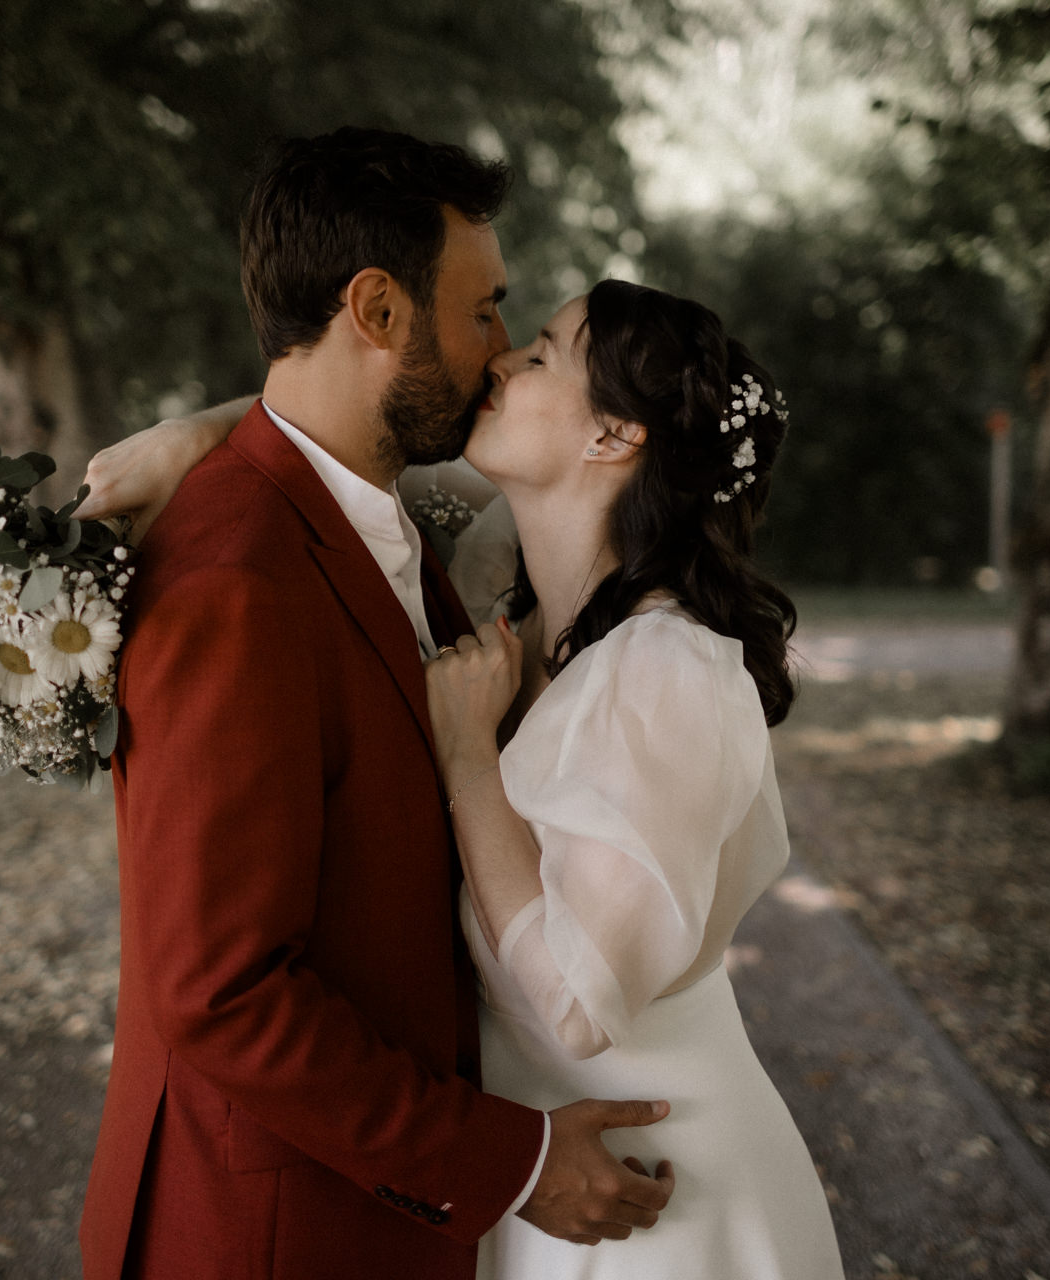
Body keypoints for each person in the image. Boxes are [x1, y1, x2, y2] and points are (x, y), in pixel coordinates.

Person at [82, 277, 846, 1278]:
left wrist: (468, 759)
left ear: (613, 435)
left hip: (646, 1188)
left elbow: (576, 1000)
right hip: (520, 1188)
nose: (500, 362)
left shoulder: (670, 674)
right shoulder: (499, 577)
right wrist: (197, 432)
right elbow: (340, 439)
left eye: (538, 352)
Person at [80, 128, 677, 1280]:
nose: (503, 354)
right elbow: (220, 989)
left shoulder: (364, 513)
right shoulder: (234, 580)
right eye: (486, 309)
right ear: (379, 310)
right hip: (271, 1235)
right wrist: (508, 1161)